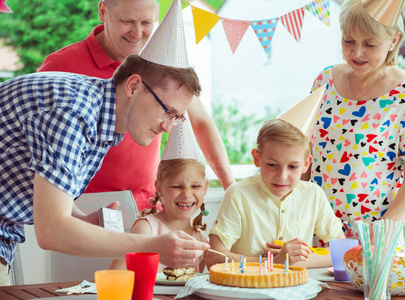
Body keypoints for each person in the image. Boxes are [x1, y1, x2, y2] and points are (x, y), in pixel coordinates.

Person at [0, 0, 210, 285]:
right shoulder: (73, 112)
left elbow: (45, 183)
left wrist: (81, 220)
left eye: (177, 117)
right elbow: (51, 231)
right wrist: (151, 245)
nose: (167, 126)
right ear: (134, 86)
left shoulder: (104, 120)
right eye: (166, 109)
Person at [38, 0, 234, 211]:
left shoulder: (162, 63)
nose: (137, 32)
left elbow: (202, 123)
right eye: (128, 21)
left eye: (146, 22)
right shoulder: (61, 66)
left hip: (148, 205)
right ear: (103, 12)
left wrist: (231, 188)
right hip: (83, 206)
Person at [309, 0, 405, 248]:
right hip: (315, 235)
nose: (356, 53)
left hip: (375, 239)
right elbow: (304, 155)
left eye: (369, 44)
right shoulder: (323, 81)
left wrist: (381, 233)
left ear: (393, 40)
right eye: (348, 41)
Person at [207, 117, 345, 269]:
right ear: (256, 158)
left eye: (293, 166)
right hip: (247, 289)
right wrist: (275, 262)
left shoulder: (313, 195)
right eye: (272, 165)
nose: (282, 176)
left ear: (306, 164)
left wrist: (294, 259)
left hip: (298, 289)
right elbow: (214, 256)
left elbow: (343, 250)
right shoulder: (238, 195)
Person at [110, 158, 209, 272]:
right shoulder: (145, 229)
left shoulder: (201, 242)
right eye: (177, 186)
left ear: (205, 188)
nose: (186, 194)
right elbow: (115, 275)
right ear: (159, 188)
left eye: (195, 186)